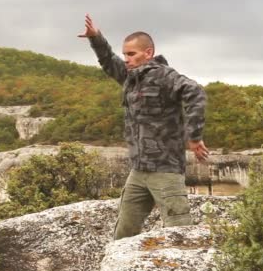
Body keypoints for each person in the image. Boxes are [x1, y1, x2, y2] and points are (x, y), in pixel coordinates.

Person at [78, 14, 209, 240]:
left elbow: (195, 93)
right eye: (125, 54)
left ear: (148, 53)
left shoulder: (163, 76)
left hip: (165, 170)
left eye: (131, 54)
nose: (126, 59)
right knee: (123, 234)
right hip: (139, 171)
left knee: (180, 233)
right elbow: (108, 61)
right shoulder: (131, 78)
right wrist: (96, 38)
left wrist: (194, 136)